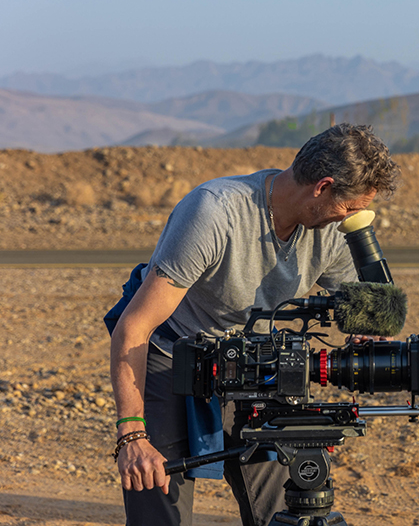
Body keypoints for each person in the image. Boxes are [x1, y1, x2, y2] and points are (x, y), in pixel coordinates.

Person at [108, 123, 400, 526]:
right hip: (172, 356)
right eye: (350, 207)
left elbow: (373, 311)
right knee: (156, 505)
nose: (351, 218)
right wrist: (132, 435)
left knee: (286, 507)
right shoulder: (214, 212)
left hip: (255, 365)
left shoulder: (331, 231)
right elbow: (134, 328)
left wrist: (369, 327)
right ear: (322, 187)